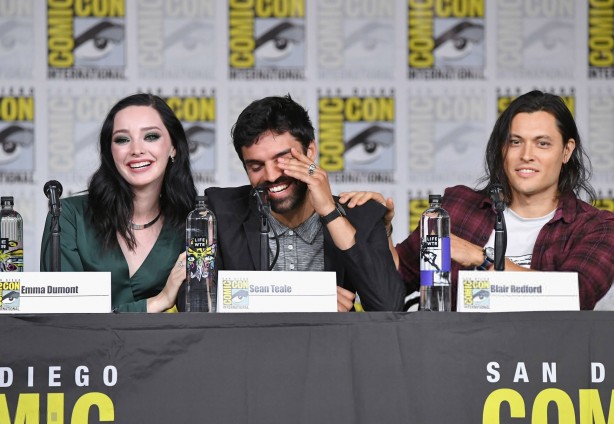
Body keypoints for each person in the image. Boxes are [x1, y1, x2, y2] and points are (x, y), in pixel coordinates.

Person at [341, 90, 614, 310]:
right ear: (502, 149)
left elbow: (575, 296)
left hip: (541, 363)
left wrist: (480, 257)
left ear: (566, 151)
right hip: (453, 356)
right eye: (515, 142)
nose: (527, 155)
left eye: (542, 143)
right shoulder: (457, 206)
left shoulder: (597, 227)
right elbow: (396, 281)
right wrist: (381, 231)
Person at [204, 94, 404, 311]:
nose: (271, 176)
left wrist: (330, 212)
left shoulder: (360, 213)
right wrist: (309, 297)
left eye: (282, 160)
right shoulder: (220, 212)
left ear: (310, 152)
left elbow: (389, 308)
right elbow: (196, 299)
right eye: (256, 167)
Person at [40, 93, 197, 312]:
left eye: (151, 136)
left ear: (173, 147)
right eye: (122, 139)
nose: (137, 150)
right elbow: (63, 317)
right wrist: (159, 301)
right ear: (110, 151)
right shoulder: (67, 216)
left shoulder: (194, 223)